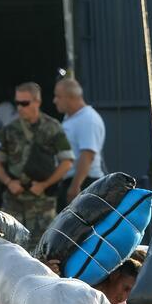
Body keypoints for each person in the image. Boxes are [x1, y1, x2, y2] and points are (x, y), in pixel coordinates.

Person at [0, 82, 74, 247]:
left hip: (42, 204)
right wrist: (8, 182)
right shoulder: (9, 130)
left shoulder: (52, 128)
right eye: (17, 103)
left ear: (37, 102)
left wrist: (44, 184)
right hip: (14, 202)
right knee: (8, 246)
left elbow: (67, 162)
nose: (20, 107)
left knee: (44, 248)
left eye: (24, 103)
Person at [52, 77, 105, 208]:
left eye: (58, 96)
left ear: (71, 97)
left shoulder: (88, 119)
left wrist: (75, 186)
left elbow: (87, 155)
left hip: (84, 183)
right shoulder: (71, 118)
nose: (54, 101)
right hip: (72, 182)